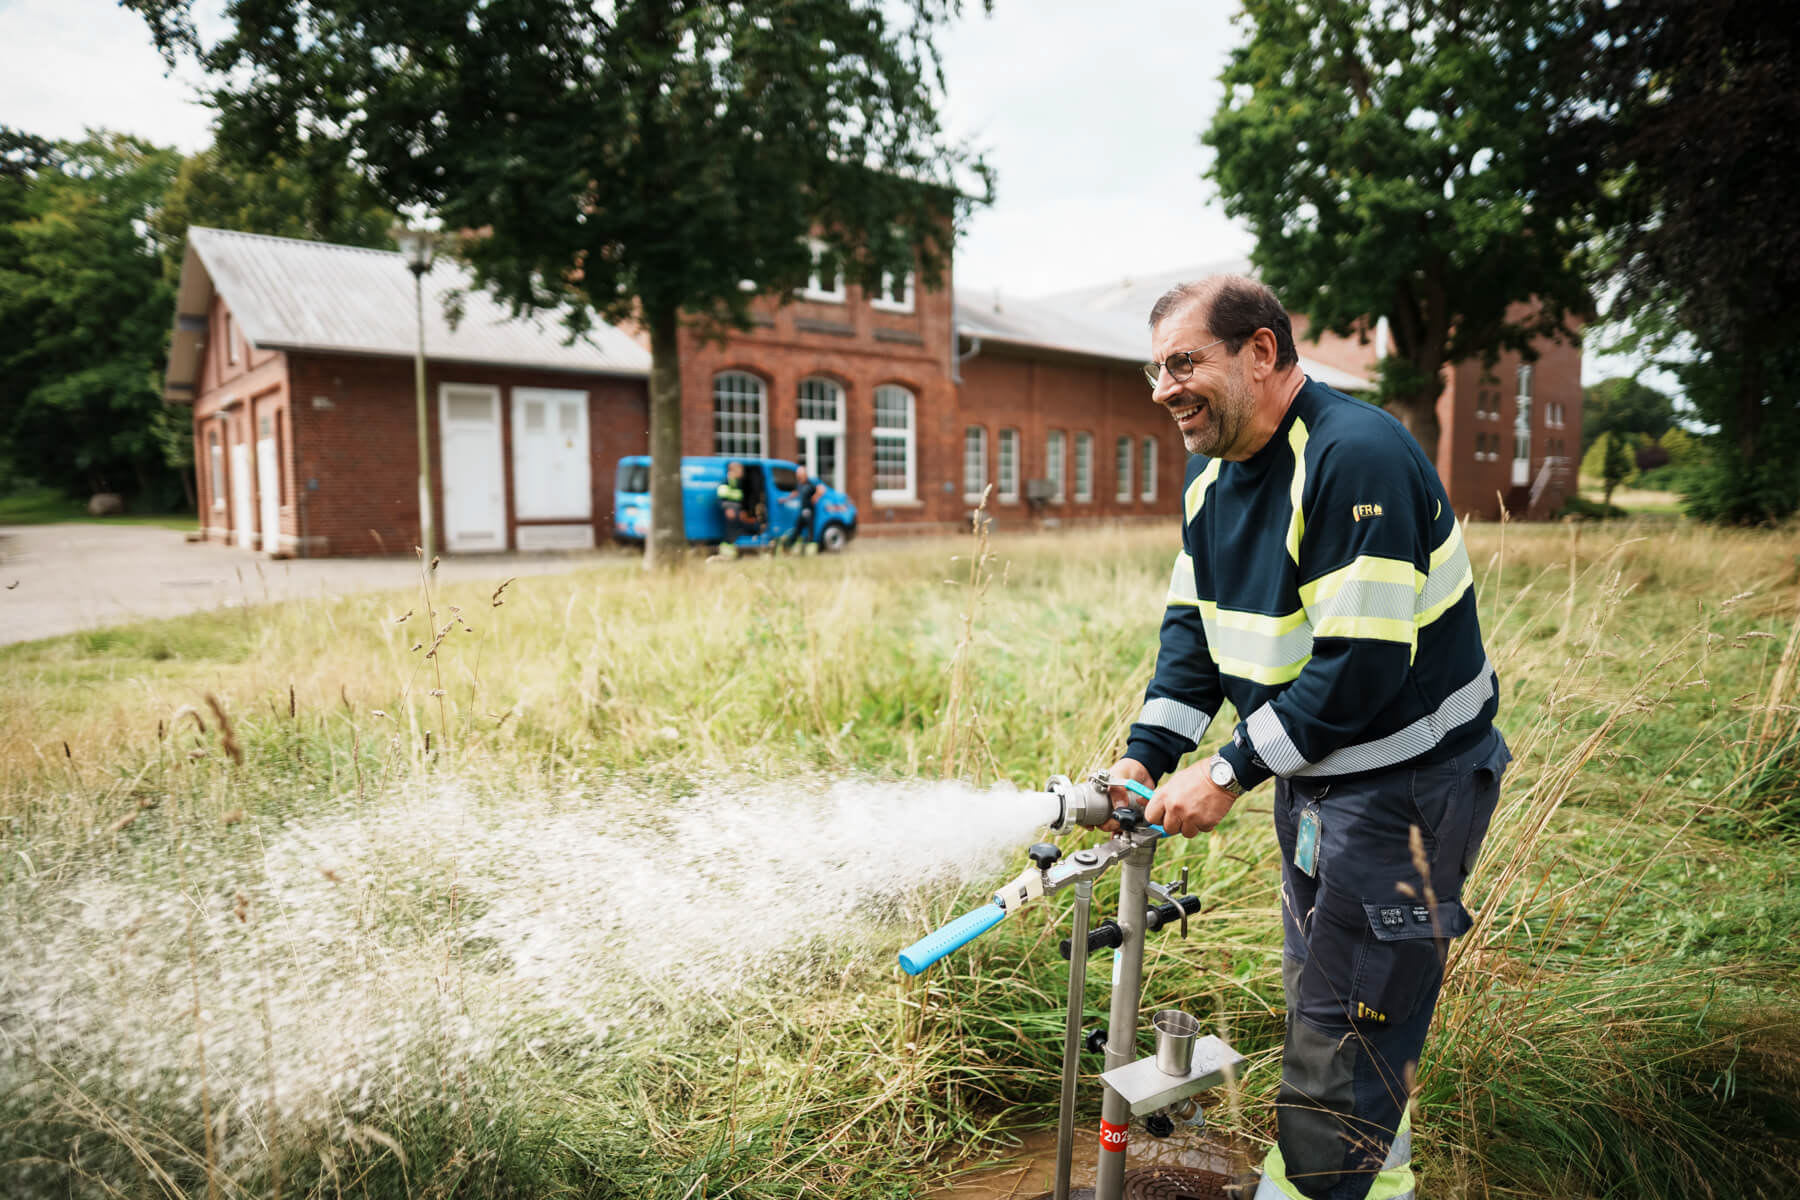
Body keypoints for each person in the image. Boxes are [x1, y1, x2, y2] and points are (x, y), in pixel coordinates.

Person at [1108, 276, 1511, 1200]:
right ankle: (1377, 1186)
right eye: (1154, 370)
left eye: (1183, 362)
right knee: (1334, 1012)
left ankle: (1319, 1186)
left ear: (1260, 351)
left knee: (1346, 1030)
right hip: (1317, 779)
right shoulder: (1209, 475)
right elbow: (1194, 642)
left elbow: (1363, 666)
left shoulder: (1354, 455)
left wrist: (1226, 771)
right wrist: (1146, 757)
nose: (1164, 389)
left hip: (1408, 786)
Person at [780, 463, 826, 551]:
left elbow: (822, 489)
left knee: (810, 530)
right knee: (798, 529)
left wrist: (815, 497)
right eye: (798, 474)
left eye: (800, 474)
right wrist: (785, 499)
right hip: (802, 511)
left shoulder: (811, 483)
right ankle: (789, 546)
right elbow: (795, 493)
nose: (799, 476)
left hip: (810, 510)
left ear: (804, 474)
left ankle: (810, 547)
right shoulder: (799, 484)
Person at [716, 461, 761, 547]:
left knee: (745, 527)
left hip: (737, 510)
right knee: (731, 531)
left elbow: (740, 498)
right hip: (731, 511)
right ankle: (728, 548)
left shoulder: (738, 482)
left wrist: (742, 510)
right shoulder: (726, 482)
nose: (742, 472)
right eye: (740, 470)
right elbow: (722, 498)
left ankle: (739, 546)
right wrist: (728, 509)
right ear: (733, 470)